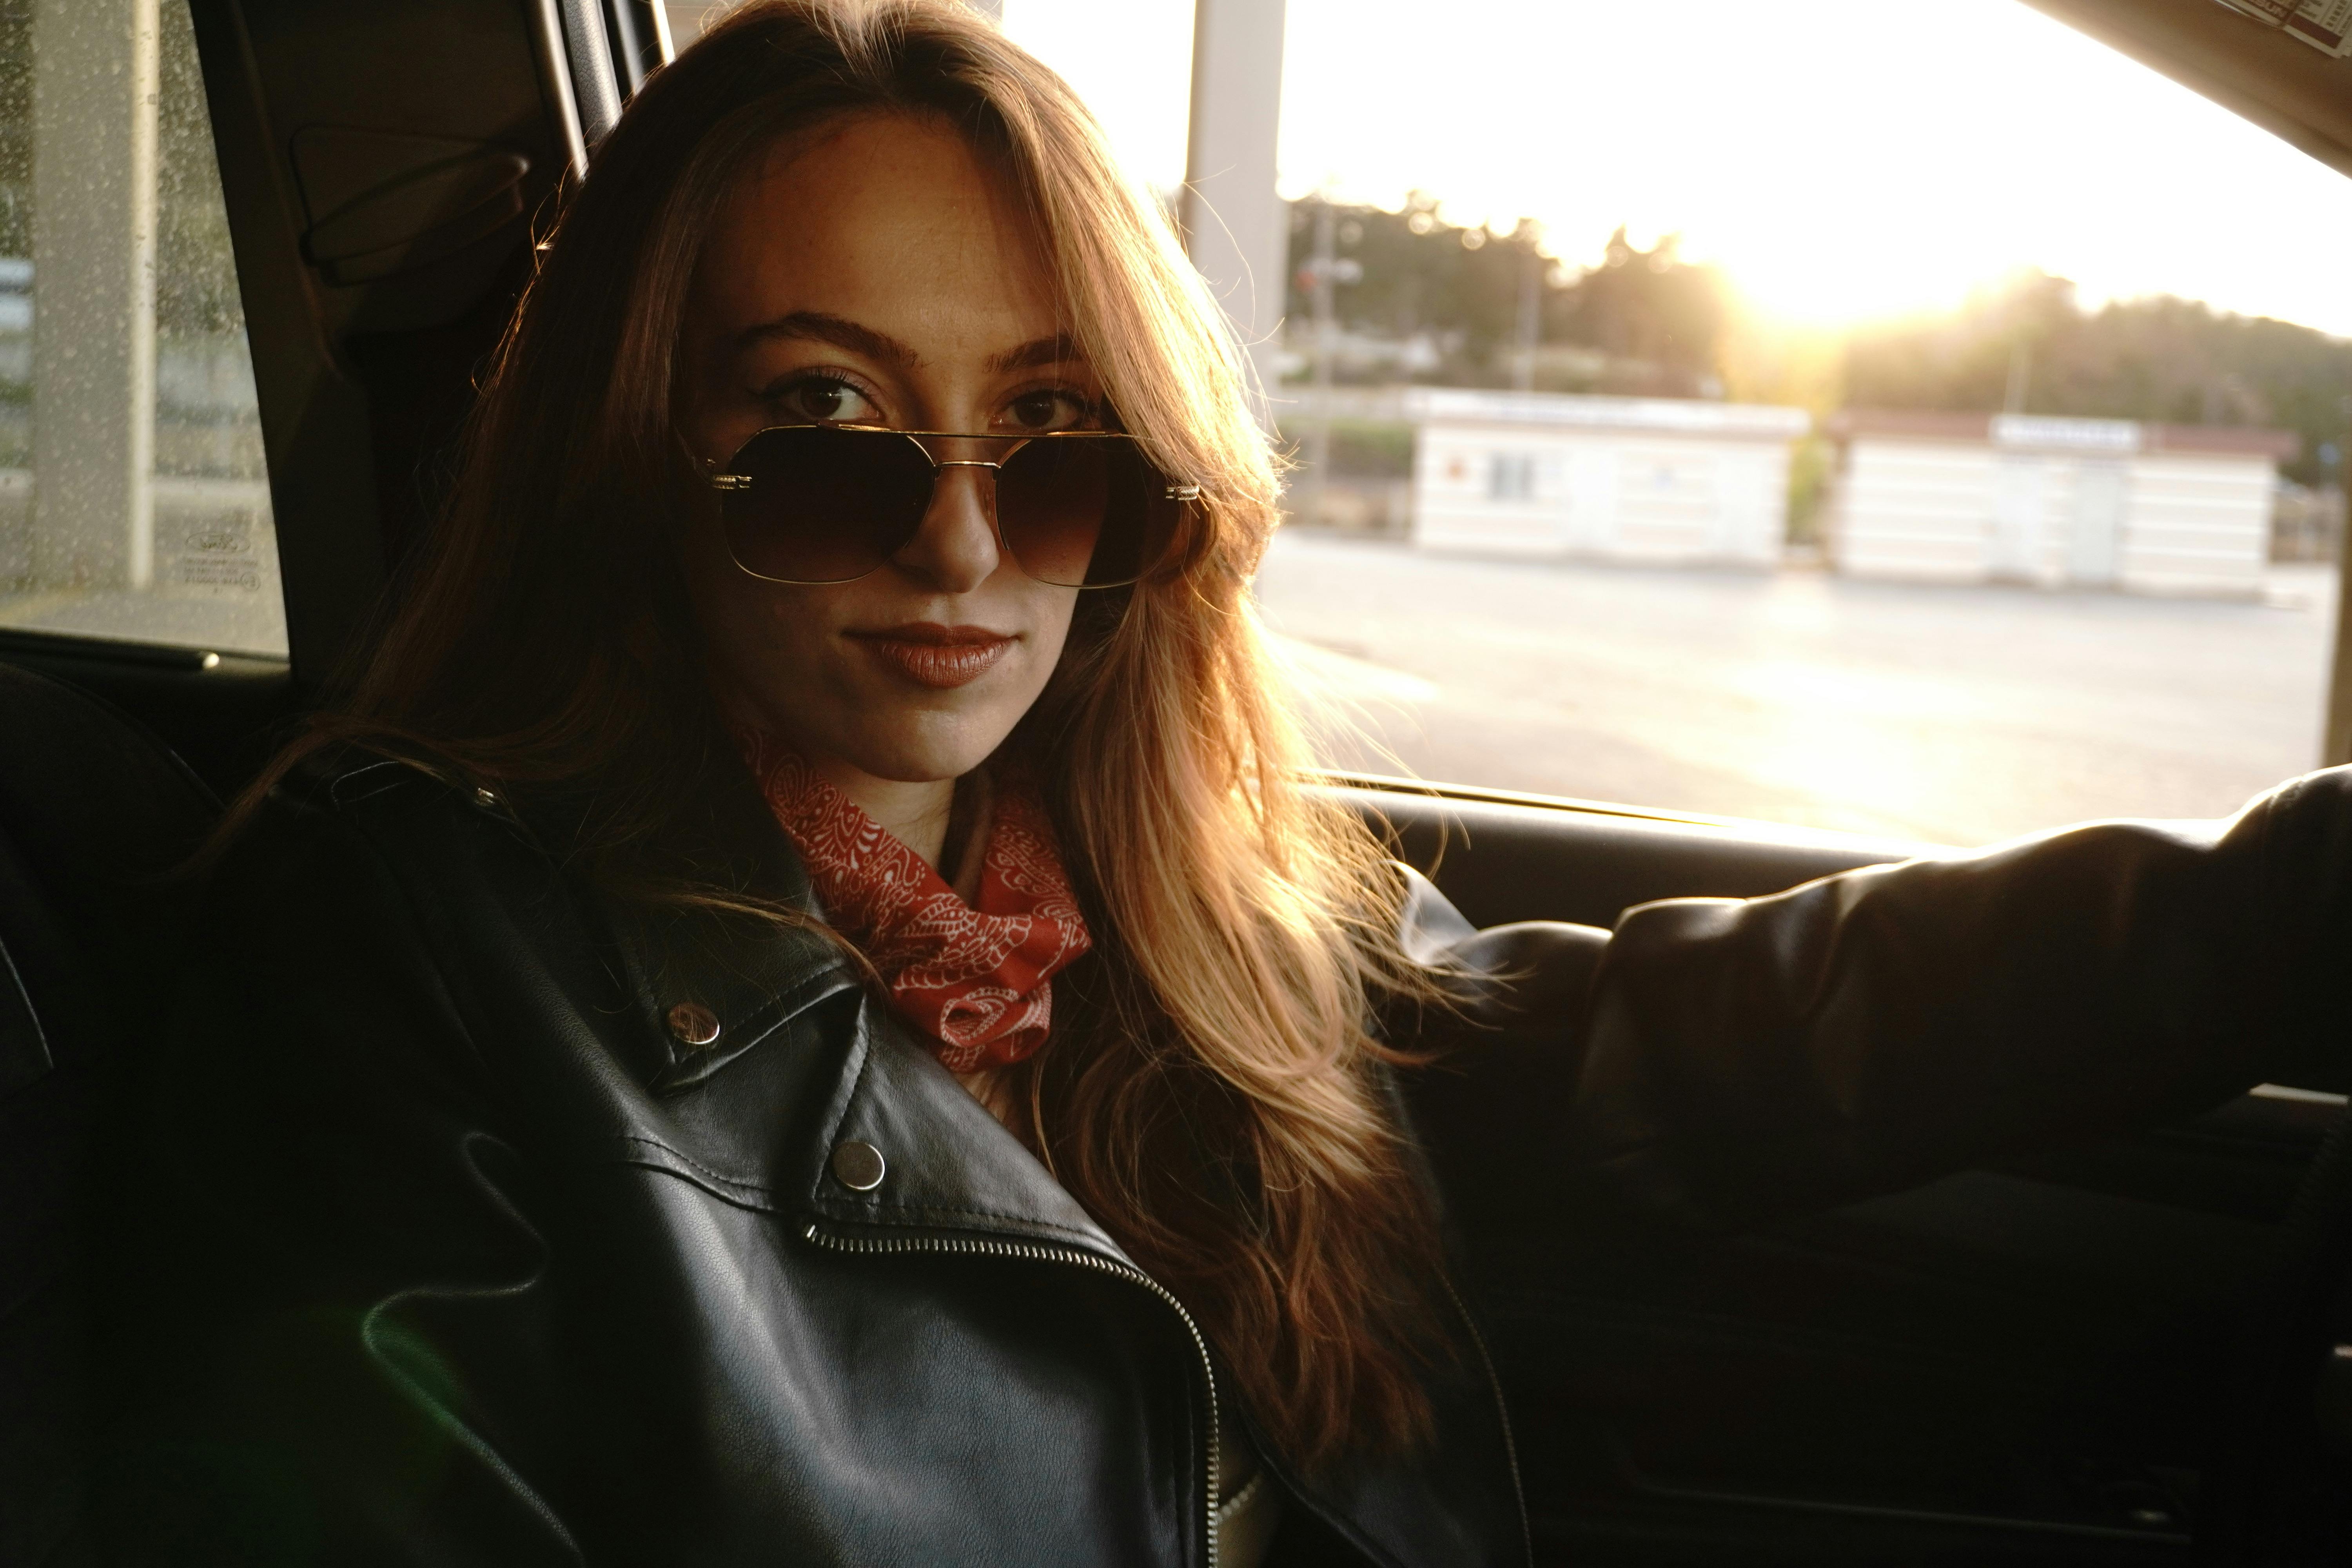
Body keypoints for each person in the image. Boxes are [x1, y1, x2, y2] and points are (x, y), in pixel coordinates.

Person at [105, 2, 2352, 1564]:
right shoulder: (402, 960)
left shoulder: (1168, 916)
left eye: (1055, 433)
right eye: (820, 427)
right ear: (632, 458)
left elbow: (1710, 1040)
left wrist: (2289, 913)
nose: (966, 544)